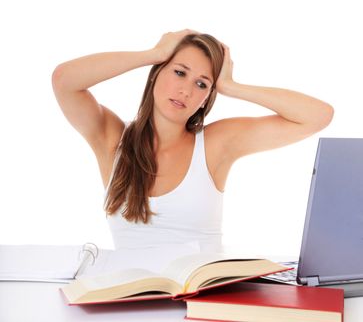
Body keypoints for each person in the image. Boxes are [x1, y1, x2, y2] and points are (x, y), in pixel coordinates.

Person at [52, 29, 334, 252]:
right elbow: (64, 80)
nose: (186, 90)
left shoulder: (215, 144)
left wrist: (230, 87)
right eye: (179, 72)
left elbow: (317, 115)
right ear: (156, 73)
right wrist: (153, 53)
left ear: (205, 99)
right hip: (130, 302)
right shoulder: (112, 138)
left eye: (201, 84)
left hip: (202, 303)